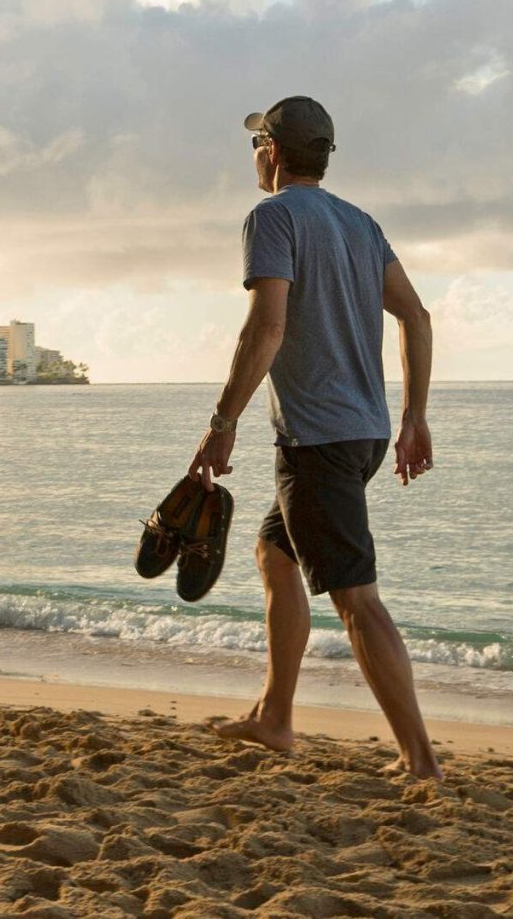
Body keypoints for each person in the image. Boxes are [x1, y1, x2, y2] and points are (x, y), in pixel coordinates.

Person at [190, 94, 439, 781]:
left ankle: (421, 761)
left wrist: (222, 421)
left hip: (317, 441)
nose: (253, 157)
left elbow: (265, 327)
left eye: (254, 145)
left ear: (272, 150)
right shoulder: (360, 223)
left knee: (356, 599)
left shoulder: (272, 217)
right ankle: (275, 716)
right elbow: (416, 315)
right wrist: (415, 415)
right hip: (361, 431)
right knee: (276, 553)